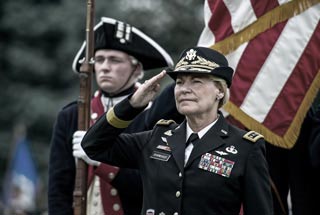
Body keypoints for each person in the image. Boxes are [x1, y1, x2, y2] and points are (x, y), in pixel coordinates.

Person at [81, 46, 274, 215]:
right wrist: (131, 105)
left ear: (220, 91)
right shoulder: (156, 138)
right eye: (180, 82)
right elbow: (93, 145)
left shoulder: (244, 147)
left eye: (196, 81)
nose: (184, 89)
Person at [48, 17, 183, 215]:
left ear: (137, 69)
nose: (104, 67)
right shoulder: (71, 116)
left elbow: (153, 185)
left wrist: (101, 163)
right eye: (99, 60)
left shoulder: (154, 117)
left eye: (115, 60)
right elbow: (58, 188)